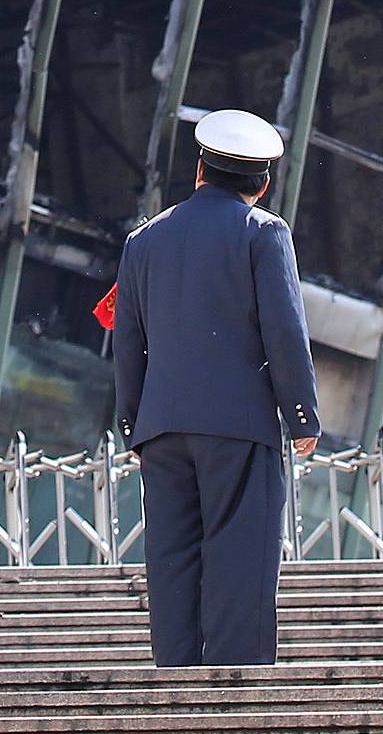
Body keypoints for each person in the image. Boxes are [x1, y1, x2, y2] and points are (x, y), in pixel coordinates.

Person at [112, 108, 320, 668]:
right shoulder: (265, 233)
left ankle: (174, 685)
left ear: (199, 168)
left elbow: (127, 340)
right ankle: (234, 697)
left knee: (172, 560)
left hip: (162, 429)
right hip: (238, 426)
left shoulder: (143, 239)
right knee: (240, 559)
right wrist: (301, 415)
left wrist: (132, 424)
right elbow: (284, 328)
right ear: (264, 182)